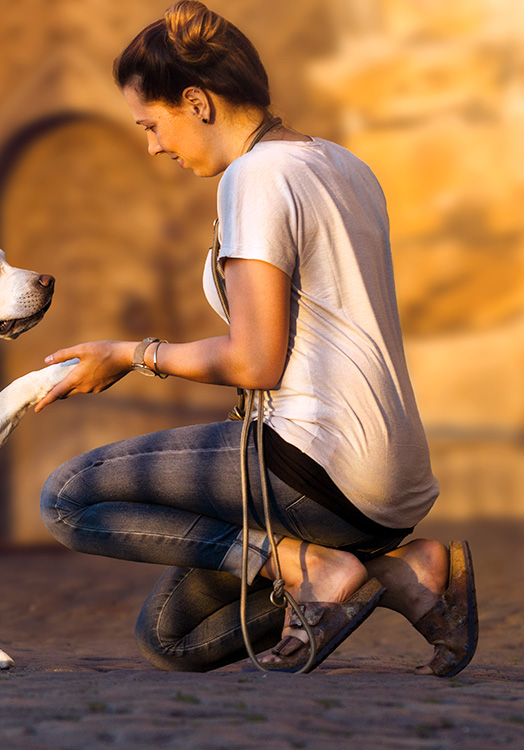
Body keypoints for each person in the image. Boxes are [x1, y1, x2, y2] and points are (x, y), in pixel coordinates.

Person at [35, 1, 477, 674]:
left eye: (153, 124)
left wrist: (130, 355)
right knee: (173, 637)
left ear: (197, 102)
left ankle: (308, 567)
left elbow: (254, 359)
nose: (153, 145)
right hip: (394, 484)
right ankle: (404, 570)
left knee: (68, 498)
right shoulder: (342, 164)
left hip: (317, 463)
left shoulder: (256, 177)